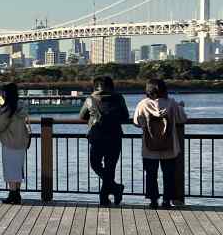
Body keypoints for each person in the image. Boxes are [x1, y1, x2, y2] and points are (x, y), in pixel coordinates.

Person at [133, 78, 186, 209]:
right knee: (168, 175)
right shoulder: (172, 103)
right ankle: (167, 200)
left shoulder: (143, 104)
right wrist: (180, 107)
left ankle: (153, 200)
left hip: (149, 147)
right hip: (169, 147)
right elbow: (182, 118)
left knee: (151, 175)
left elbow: (137, 122)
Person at [79, 75, 130, 207]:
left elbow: (82, 116)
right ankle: (106, 195)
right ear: (111, 86)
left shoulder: (90, 99)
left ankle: (111, 191)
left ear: (95, 86)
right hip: (114, 136)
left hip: (97, 137)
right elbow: (125, 116)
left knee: (95, 164)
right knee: (110, 167)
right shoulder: (119, 97)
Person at [0, 83, 29, 205]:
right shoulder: (21, 106)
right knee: (18, 169)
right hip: (21, 141)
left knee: (11, 170)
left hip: (9, 142)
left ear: (6, 94)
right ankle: (17, 194)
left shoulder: (8, 109)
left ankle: (12, 195)